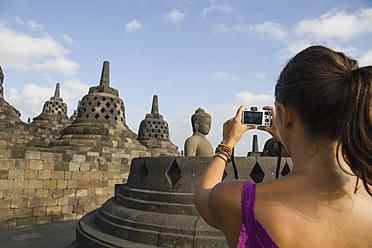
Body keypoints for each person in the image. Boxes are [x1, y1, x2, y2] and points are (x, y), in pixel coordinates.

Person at [193, 45, 372, 247]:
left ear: (284, 115)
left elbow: (202, 195)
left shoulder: (241, 201)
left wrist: (227, 144)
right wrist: (290, 137)